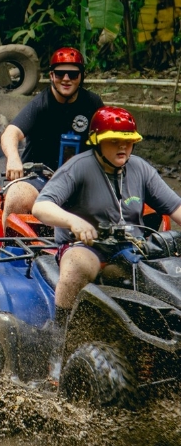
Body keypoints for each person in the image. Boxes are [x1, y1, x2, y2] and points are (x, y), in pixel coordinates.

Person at [32, 106, 181, 375]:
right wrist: (73, 221)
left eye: (128, 140)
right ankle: (59, 342)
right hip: (86, 247)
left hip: (131, 250)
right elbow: (41, 206)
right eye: (114, 140)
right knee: (77, 266)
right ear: (98, 142)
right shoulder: (78, 167)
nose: (123, 146)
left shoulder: (140, 169)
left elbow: (176, 207)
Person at [0, 47, 102, 224]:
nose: (66, 79)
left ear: (81, 76)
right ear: (52, 76)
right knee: (17, 197)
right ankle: (11, 248)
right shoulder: (41, 104)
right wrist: (13, 158)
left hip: (82, 179)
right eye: (61, 74)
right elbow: (11, 133)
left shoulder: (93, 103)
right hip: (39, 178)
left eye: (73, 74)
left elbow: (108, 139)